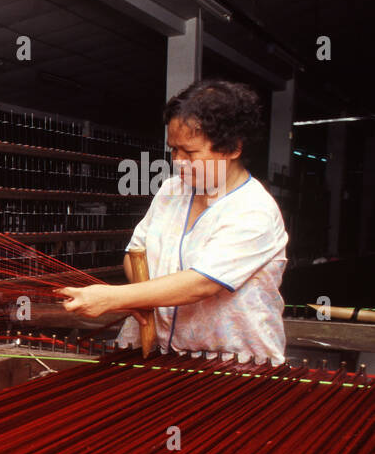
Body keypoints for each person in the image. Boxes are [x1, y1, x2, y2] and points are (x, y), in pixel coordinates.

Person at [56, 79, 288, 364]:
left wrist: (117, 298)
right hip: (159, 353)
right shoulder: (171, 190)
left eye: (190, 152)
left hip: (232, 364)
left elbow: (202, 283)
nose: (178, 162)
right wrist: (141, 297)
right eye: (173, 150)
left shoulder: (253, 209)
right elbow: (135, 252)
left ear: (233, 148)